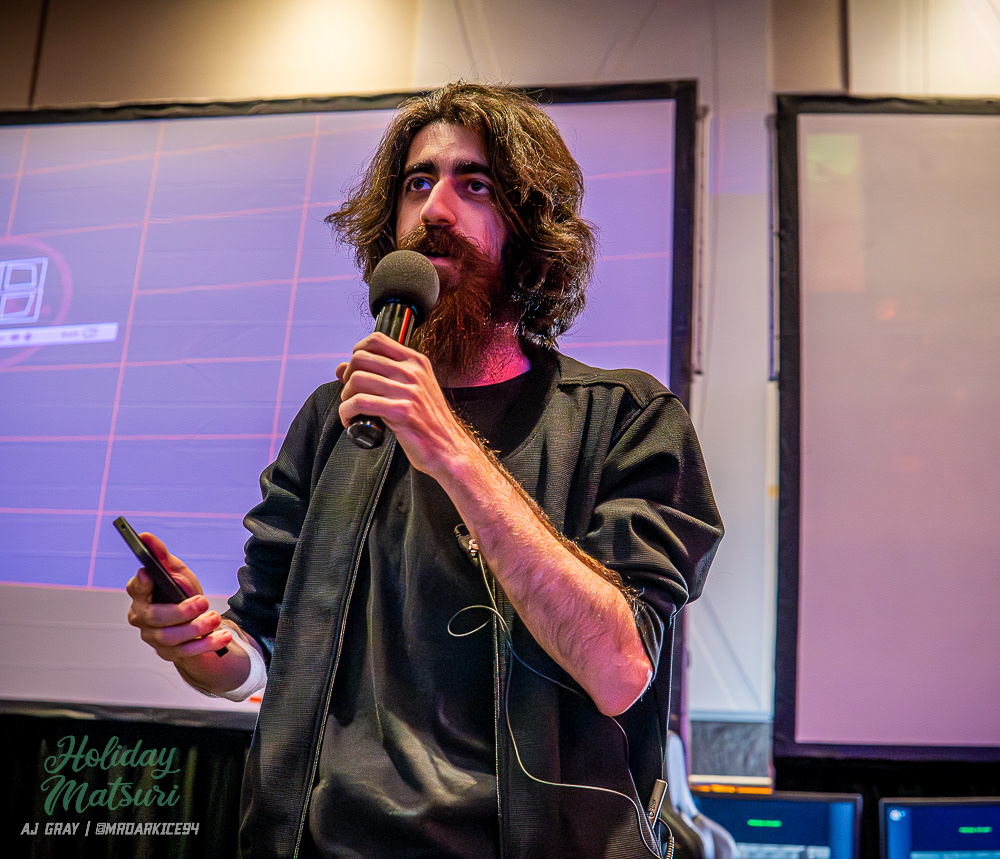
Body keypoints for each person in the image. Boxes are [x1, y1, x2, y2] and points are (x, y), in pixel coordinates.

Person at [127, 82, 723, 859]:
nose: (436, 208)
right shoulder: (335, 419)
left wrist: (449, 446)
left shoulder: (627, 419)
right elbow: (256, 649)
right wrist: (200, 647)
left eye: (474, 185)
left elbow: (618, 669)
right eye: (418, 183)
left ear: (531, 227)